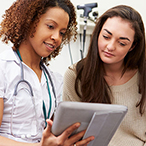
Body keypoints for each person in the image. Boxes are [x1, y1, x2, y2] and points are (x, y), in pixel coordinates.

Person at [0, 0, 95, 145]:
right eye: (50, 27)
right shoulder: (3, 69)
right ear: (28, 21)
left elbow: (50, 135)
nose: (56, 38)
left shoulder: (54, 80)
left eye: (62, 33)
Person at [62, 4, 146, 146]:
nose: (110, 46)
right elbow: (69, 135)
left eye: (122, 43)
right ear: (98, 32)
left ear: (132, 46)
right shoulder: (76, 75)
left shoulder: (142, 76)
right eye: (106, 36)